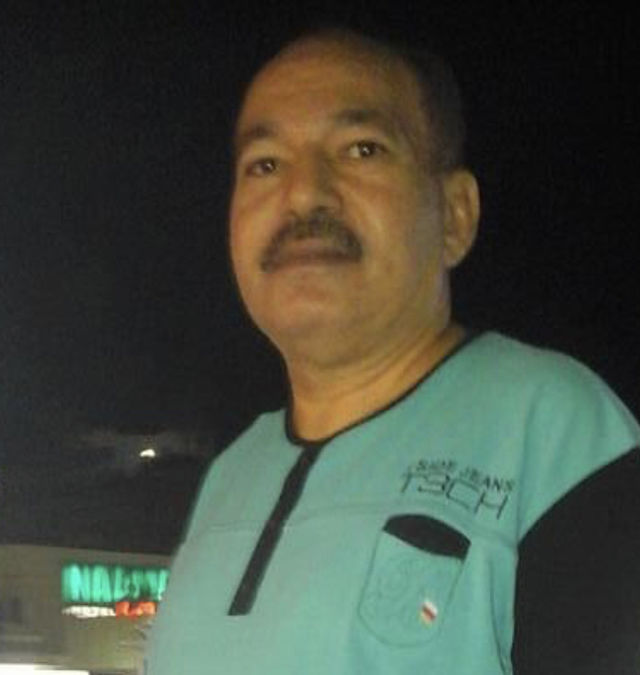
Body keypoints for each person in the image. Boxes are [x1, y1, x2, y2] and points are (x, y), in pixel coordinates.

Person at [146, 27, 640, 674]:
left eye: (362, 149)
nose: (303, 193)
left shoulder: (553, 433)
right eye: (264, 164)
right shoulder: (230, 476)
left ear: (455, 215)